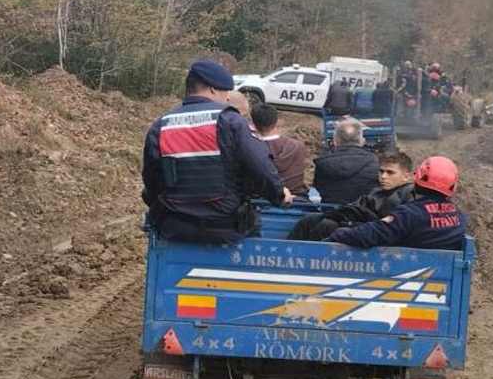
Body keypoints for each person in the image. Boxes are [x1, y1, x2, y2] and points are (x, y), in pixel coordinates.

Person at [142, 60, 293, 244]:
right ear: (212, 89)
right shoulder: (231, 121)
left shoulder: (161, 125)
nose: (226, 97)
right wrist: (278, 194)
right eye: (225, 92)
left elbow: (151, 180)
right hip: (225, 226)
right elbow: (260, 165)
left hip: (176, 226)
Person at [326, 156, 468, 250]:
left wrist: (338, 234)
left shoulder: (410, 214)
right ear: (452, 186)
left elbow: (371, 234)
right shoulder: (459, 217)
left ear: (416, 179)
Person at [288, 151, 415, 241]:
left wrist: (348, 223)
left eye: (390, 173)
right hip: (361, 226)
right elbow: (355, 208)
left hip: (377, 235)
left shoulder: (408, 195)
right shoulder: (376, 191)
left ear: (406, 176)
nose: (383, 176)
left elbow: (388, 223)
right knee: (309, 220)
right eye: (381, 171)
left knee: (327, 225)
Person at [313, 118, 378, 204]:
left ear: (335, 141)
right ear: (362, 141)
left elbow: (319, 187)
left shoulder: (322, 163)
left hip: (331, 212)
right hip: (363, 212)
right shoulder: (375, 162)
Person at [251, 103, 309, 197]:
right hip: (297, 199)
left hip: (260, 201)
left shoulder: (249, 149)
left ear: (253, 124)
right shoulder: (298, 146)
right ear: (277, 121)